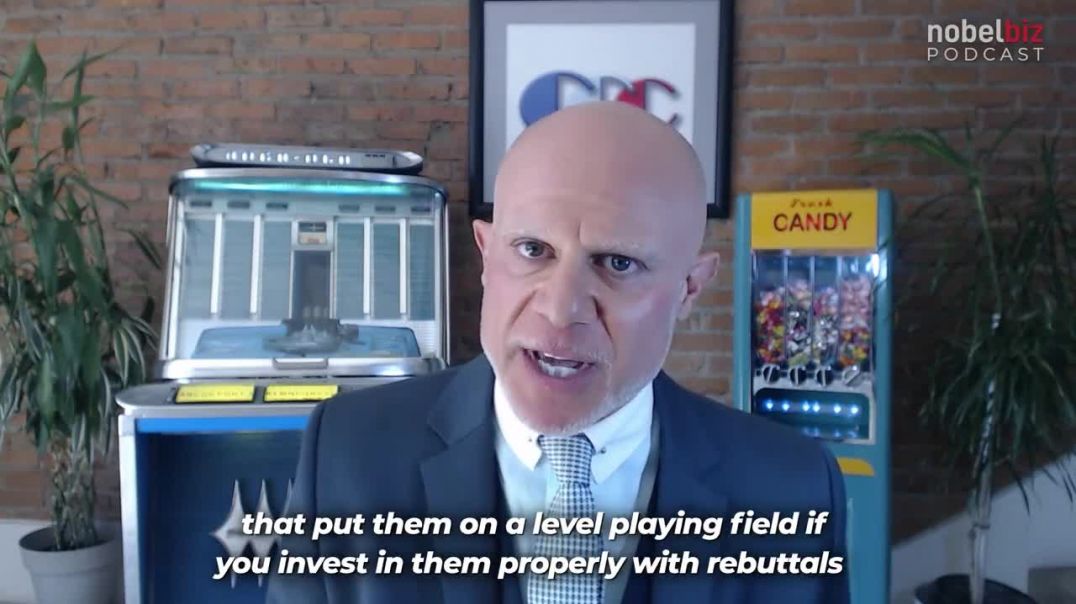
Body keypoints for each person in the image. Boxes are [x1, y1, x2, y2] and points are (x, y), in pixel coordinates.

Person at [266, 101, 849, 604]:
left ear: (689, 288)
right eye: (532, 250)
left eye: (618, 263)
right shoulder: (347, 452)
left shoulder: (792, 487)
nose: (562, 308)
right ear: (487, 254)